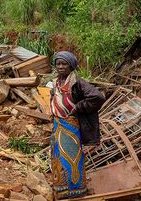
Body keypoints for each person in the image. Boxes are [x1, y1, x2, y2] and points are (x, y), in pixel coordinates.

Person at [50, 51, 105, 199]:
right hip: (58, 125)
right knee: (58, 158)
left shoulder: (78, 83)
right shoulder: (56, 82)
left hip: (71, 127)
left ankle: (75, 191)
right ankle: (60, 188)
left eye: (64, 64)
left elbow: (98, 96)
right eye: (58, 63)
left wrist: (78, 107)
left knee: (71, 158)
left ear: (71, 66)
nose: (60, 66)